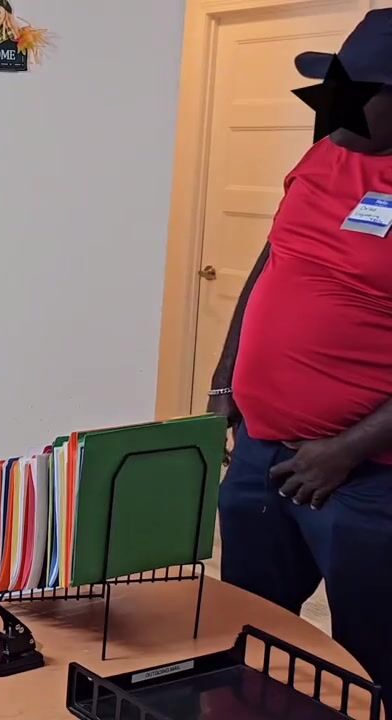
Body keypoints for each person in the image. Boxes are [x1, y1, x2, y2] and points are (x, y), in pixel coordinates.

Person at [211, 9, 392, 701]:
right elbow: (272, 264)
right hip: (261, 454)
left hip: (365, 479)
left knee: (369, 666)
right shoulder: (324, 156)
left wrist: (344, 451)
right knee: (248, 640)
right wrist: (225, 382)